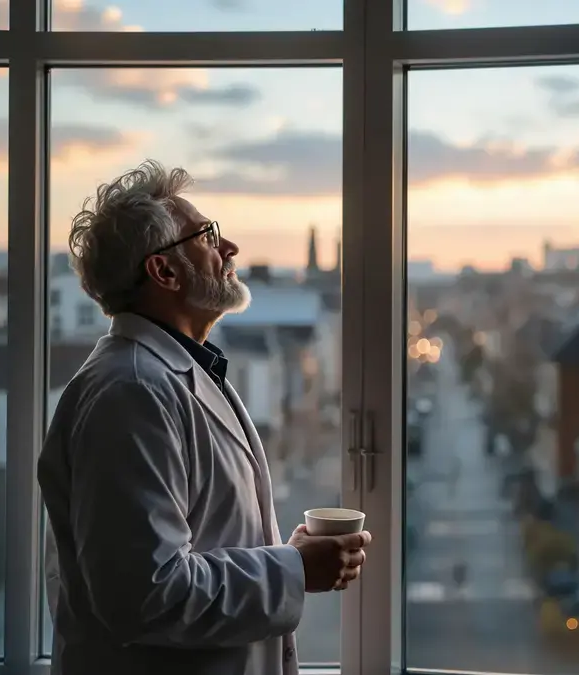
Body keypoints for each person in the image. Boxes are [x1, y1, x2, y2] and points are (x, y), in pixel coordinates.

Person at [38, 161, 372, 675]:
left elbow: (202, 543)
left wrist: (288, 557)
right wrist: (295, 570)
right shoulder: (131, 393)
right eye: (207, 236)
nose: (230, 248)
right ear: (164, 271)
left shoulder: (175, 372)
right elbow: (145, 596)